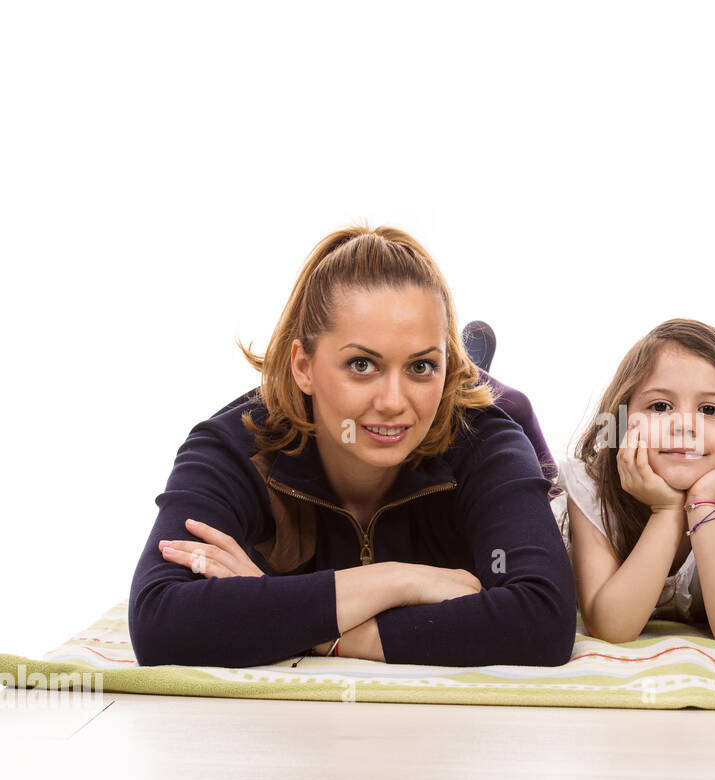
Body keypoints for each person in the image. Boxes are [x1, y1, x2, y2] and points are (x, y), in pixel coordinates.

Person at [128, 225, 575, 668]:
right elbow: (160, 622)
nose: (394, 403)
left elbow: (543, 621)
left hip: (483, 410)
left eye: (422, 365)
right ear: (303, 366)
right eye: (362, 365)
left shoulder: (486, 439)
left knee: (508, 403)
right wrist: (398, 580)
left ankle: (469, 361)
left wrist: (308, 628)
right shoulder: (234, 447)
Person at [563, 320, 715, 644]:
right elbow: (612, 627)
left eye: (709, 409)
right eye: (660, 406)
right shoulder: (592, 490)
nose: (683, 426)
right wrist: (666, 511)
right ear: (622, 420)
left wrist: (703, 503)